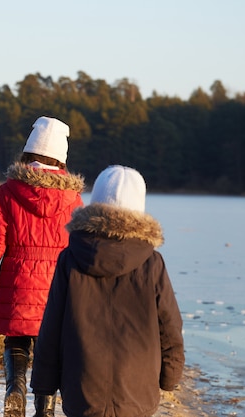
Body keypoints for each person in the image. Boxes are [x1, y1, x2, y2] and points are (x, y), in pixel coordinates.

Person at [30, 165, 185, 417]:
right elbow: (169, 324)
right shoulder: (152, 262)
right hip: (137, 387)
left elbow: (52, 327)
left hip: (82, 386)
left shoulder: (70, 258)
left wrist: (43, 387)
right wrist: (170, 376)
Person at [0, 116, 85, 417]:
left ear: (28, 153)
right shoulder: (73, 199)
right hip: (56, 290)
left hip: (17, 285)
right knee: (49, 350)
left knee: (16, 341)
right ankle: (45, 408)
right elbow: (82, 250)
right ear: (61, 160)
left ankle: (16, 387)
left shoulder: (8, 192)